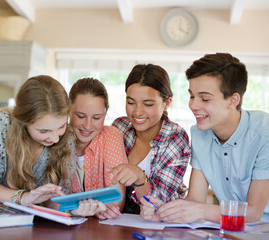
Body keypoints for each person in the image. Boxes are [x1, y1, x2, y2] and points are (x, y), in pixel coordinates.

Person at [144, 53, 269, 223]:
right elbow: (195, 200)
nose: (193, 105)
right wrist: (163, 211)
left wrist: (200, 211)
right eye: (192, 96)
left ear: (233, 100)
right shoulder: (199, 134)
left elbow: (254, 212)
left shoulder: (264, 133)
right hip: (228, 229)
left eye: (204, 98)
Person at [0, 75, 79, 210]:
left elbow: (54, 199)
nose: (55, 139)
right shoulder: (1, 125)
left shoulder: (67, 137)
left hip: (28, 222)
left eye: (61, 126)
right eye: (44, 131)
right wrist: (23, 197)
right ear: (23, 122)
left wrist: (74, 208)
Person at [110, 64, 191, 215]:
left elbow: (160, 201)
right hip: (119, 219)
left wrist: (140, 177)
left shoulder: (176, 138)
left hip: (160, 223)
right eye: (131, 102)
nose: (137, 112)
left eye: (148, 104)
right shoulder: (119, 127)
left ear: (166, 103)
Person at [69, 78, 128, 219]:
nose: (88, 126)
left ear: (105, 114)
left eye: (96, 118)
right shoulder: (55, 138)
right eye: (80, 116)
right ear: (68, 109)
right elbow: (49, 198)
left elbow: (116, 198)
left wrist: (108, 209)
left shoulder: (111, 136)